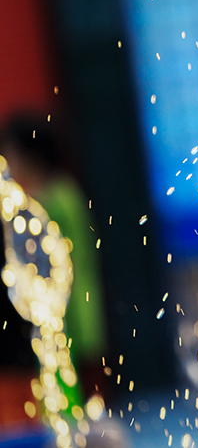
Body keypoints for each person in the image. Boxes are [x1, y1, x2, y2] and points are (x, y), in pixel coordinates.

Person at [0, 114, 108, 399]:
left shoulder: (54, 198)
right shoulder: (58, 192)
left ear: (31, 155)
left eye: (10, 152)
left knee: (69, 380)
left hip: (69, 304)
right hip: (62, 305)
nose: (7, 160)